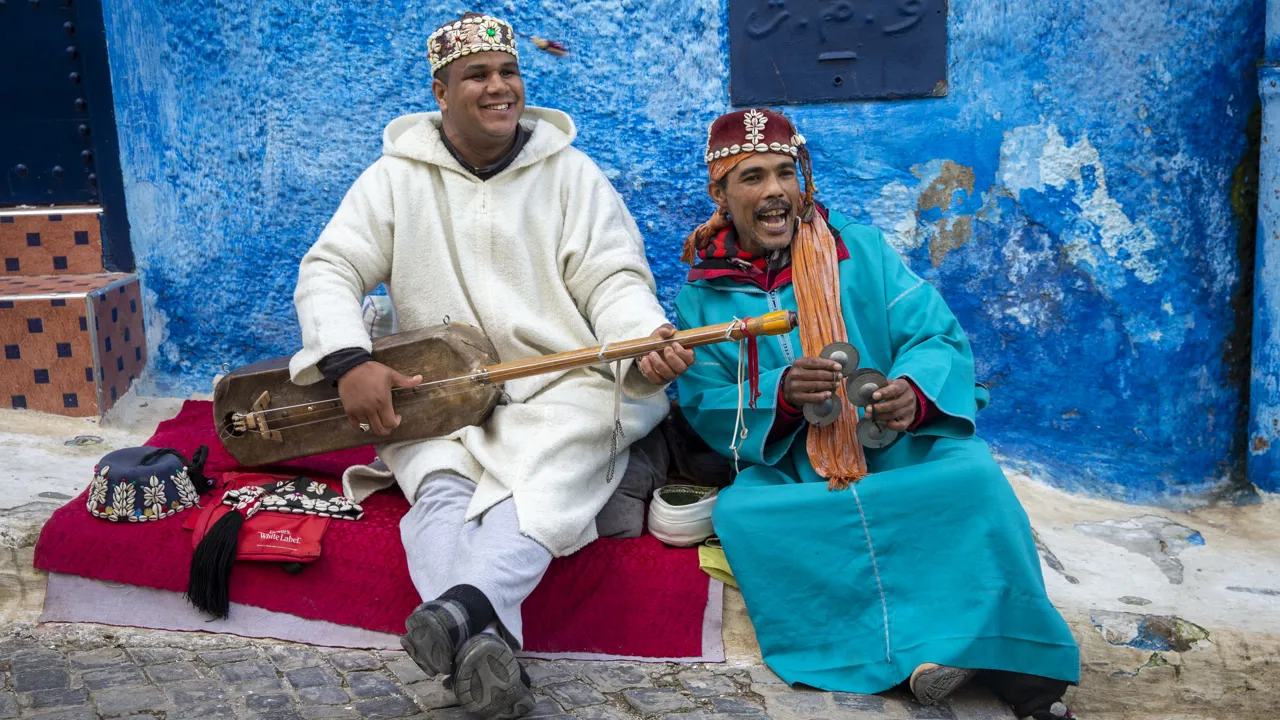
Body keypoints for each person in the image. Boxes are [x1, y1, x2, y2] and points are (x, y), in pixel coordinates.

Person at [288, 13, 693, 719]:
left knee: (542, 477)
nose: (499, 87)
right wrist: (348, 360)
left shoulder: (569, 173)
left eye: (509, 72)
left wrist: (640, 341)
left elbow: (612, 279)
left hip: (562, 383)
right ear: (441, 93)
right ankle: (488, 641)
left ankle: (462, 613)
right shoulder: (395, 179)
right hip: (439, 388)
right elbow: (330, 268)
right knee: (441, 489)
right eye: (478, 75)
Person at [672, 109, 1081, 720]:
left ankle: (1026, 683)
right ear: (721, 194)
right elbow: (704, 400)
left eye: (786, 172)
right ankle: (917, 654)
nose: (775, 191)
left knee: (970, 476)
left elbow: (934, 335)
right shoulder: (703, 295)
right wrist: (781, 394)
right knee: (744, 511)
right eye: (752, 177)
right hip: (798, 467)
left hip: (894, 449)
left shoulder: (857, 250)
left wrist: (913, 392)